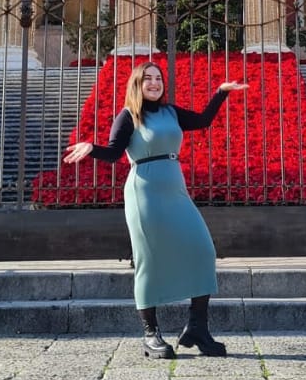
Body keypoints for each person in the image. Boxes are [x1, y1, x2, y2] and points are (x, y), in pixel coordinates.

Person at [63, 61, 246, 359]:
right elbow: (112, 153)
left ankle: (197, 328)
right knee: (149, 260)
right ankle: (151, 334)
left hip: (175, 191)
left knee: (203, 250)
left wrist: (221, 92)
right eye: (147, 78)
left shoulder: (171, 112)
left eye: (158, 78)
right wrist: (91, 147)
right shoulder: (128, 116)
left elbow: (202, 120)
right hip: (144, 192)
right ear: (137, 83)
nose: (153, 83)